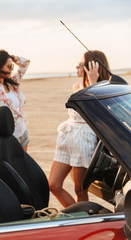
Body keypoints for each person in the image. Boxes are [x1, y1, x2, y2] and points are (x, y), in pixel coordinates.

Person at [48, 50, 111, 208]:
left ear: (92, 66)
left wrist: (93, 82)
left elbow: (97, 114)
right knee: (54, 185)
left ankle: (81, 218)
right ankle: (76, 214)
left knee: (79, 189)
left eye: (81, 64)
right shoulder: (76, 86)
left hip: (83, 139)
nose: (76, 66)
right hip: (67, 136)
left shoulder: (102, 87)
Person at [0, 50, 30, 151]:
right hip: (8, 137)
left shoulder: (12, 83)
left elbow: (25, 63)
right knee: (12, 166)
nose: (12, 69)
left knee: (23, 165)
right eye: (9, 66)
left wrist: (12, 57)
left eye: (12, 66)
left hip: (22, 132)